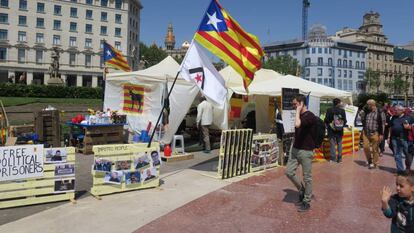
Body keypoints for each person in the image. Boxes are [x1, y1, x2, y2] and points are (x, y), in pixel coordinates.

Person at [285, 94, 317, 212]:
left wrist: (298, 110)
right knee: (289, 172)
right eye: (293, 104)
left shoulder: (310, 116)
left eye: (295, 104)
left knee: (307, 177)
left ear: (301, 103)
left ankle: (306, 201)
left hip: (306, 150)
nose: (293, 106)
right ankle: (301, 189)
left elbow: (298, 124)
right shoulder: (300, 115)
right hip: (295, 148)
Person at [361, 99, 386, 169]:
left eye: (368, 105)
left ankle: (375, 163)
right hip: (366, 133)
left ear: (372, 105)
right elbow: (362, 118)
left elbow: (383, 124)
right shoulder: (367, 112)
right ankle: (369, 161)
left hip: (375, 133)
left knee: (375, 149)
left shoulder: (380, 112)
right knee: (365, 147)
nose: (367, 106)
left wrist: (381, 134)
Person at [388, 105, 413, 173]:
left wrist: (409, 126)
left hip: (405, 139)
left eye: (397, 110)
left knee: (408, 155)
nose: (395, 111)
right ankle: (400, 170)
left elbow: (412, 126)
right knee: (397, 155)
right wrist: (389, 137)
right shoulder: (393, 117)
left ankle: (408, 168)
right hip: (395, 139)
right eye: (395, 110)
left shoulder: (409, 117)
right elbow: (391, 127)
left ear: (402, 111)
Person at [324, 98, 347, 163]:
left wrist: (330, 125)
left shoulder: (329, 110)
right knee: (339, 144)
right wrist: (340, 125)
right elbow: (345, 121)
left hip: (331, 130)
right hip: (339, 130)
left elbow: (326, 120)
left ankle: (333, 159)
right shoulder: (342, 111)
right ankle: (340, 159)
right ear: (339, 103)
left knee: (332, 144)